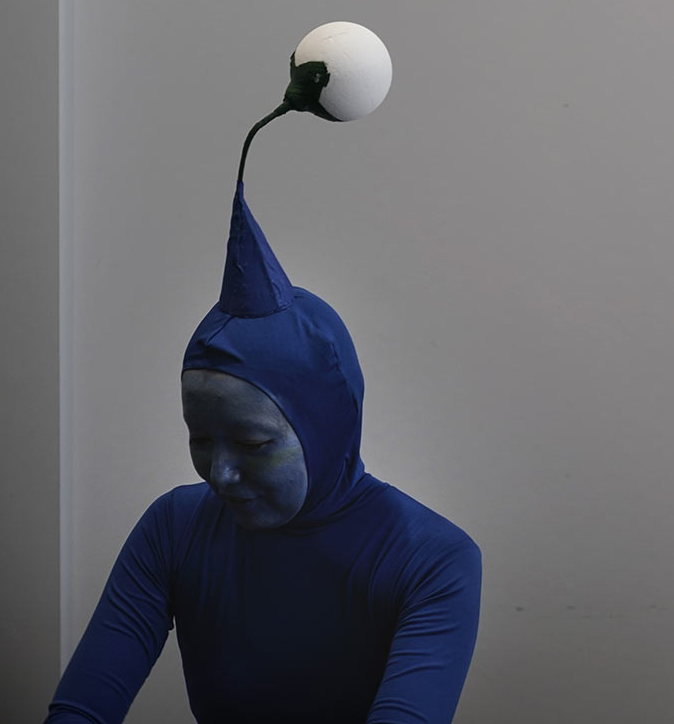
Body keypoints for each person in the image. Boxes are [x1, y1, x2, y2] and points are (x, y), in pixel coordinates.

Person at [46, 185, 482, 723]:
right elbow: (82, 710)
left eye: (252, 444)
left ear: (326, 430)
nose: (221, 474)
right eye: (200, 440)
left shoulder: (431, 560)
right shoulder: (173, 530)